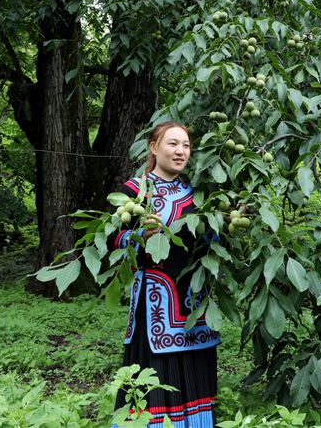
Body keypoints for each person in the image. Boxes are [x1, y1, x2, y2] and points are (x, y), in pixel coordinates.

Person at [108, 121, 220, 427]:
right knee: (156, 377)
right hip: (156, 309)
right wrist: (139, 237)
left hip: (195, 304)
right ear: (154, 148)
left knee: (195, 372)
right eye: (172, 144)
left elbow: (210, 242)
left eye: (185, 145)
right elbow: (112, 240)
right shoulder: (134, 193)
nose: (180, 151)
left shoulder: (196, 194)